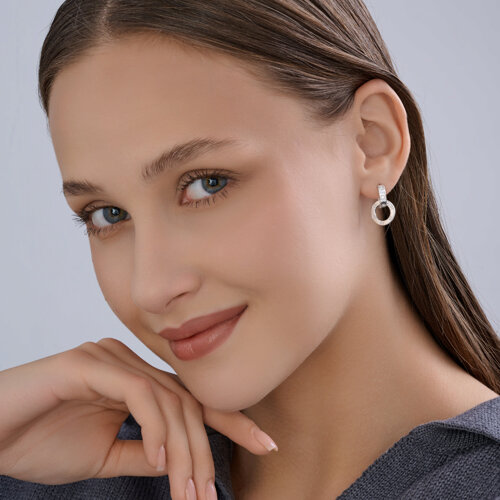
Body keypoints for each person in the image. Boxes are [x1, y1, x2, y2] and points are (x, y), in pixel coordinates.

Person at [1, 0, 499, 499]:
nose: (150, 288)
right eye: (107, 215)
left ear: (372, 142)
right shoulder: (53, 465)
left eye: (206, 183)